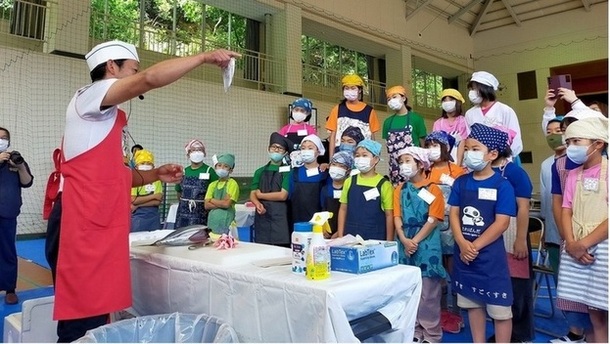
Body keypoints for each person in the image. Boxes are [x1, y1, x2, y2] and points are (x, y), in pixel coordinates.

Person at [55, 39, 238, 342]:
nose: (137, 81)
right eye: (132, 70)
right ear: (112, 67)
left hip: (97, 218)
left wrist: (153, 174)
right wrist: (204, 56)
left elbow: (108, 175)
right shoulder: (91, 96)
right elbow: (150, 79)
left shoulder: (105, 117)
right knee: (82, 311)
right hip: (82, 220)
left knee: (97, 311)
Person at [448, 124, 516, 343]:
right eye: (466, 148)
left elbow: (502, 223)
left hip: (490, 258)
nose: (468, 154)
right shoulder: (461, 182)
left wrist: (474, 246)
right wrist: (461, 241)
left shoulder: (502, 185)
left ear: (492, 154)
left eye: (475, 149)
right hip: (464, 257)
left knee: (500, 311)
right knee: (472, 304)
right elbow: (454, 214)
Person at [549, 108, 604, 343]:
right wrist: (571, 243)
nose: (571, 146)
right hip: (575, 246)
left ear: (598, 143)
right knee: (592, 312)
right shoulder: (571, 175)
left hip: (602, 246)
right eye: (568, 141)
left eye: (577, 141)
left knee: (604, 308)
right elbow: (565, 209)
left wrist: (584, 243)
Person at [393, 146, 445, 343]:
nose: (403, 166)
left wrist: (415, 240)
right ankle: (413, 331)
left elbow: (434, 219)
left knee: (428, 292)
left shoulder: (433, 189)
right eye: (401, 162)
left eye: (408, 161)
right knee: (407, 290)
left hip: (427, 243)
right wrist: (403, 238)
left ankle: (431, 334)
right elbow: (397, 216)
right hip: (404, 240)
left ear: (421, 164)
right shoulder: (399, 189)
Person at [488, 125, 534, 343]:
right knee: (499, 286)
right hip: (491, 233)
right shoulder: (483, 170)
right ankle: (501, 333)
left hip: (514, 234)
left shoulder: (515, 172)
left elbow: (523, 208)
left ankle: (519, 334)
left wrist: (520, 240)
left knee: (517, 287)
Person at [424, 130, 466, 334]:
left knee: (453, 270)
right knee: (436, 271)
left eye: (436, 145)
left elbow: (464, 196)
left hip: (453, 225)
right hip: (431, 226)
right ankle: (440, 313)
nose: (432, 150)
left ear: (446, 148)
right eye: (429, 145)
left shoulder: (457, 171)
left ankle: (457, 312)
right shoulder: (425, 170)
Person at [0, 127, 33, 305]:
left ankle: (10, 288)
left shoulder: (15, 160)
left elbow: (27, 182)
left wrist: (20, 166)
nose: (2, 140)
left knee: (8, 251)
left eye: (4, 138)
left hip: (8, 212)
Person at [337, 139, 393, 241]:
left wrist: (389, 241)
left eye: (365, 155)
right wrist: (341, 236)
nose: (360, 158)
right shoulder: (349, 181)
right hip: (350, 235)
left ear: (376, 159)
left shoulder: (384, 185)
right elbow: (343, 209)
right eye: (357, 155)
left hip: (375, 237)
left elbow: (389, 215)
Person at [465, 71, 523, 164]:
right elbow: (469, 140)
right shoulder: (470, 114)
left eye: (475, 88)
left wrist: (505, 160)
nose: (472, 92)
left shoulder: (505, 110)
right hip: (479, 162)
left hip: (504, 161)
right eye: (471, 89)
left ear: (485, 89)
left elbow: (515, 139)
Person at [250, 132, 293, 247]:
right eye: (273, 147)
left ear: (285, 153)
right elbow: (253, 193)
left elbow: (282, 195)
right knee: (262, 248)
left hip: (281, 216)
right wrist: (257, 203)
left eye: (279, 148)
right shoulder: (259, 171)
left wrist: (261, 196)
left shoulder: (288, 171)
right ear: (268, 149)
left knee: (281, 250)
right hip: (262, 215)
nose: (276, 150)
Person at [325, 74, 380, 159]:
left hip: (362, 158)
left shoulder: (369, 111)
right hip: (339, 158)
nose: (349, 91)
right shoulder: (337, 109)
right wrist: (331, 159)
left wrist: (372, 158)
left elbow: (372, 137)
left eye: (353, 88)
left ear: (360, 90)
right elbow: (333, 136)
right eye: (347, 88)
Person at [383, 85, 427, 185]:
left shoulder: (416, 119)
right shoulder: (387, 122)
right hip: (395, 170)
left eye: (394, 97)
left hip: (414, 169)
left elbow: (423, 146)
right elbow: (388, 147)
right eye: (389, 99)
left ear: (403, 98)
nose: (391, 100)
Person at [540, 117, 565, 279]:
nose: (553, 136)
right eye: (549, 133)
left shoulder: (577, 161)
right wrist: (545, 231)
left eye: (558, 131)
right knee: (560, 281)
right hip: (553, 235)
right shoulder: (545, 165)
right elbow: (544, 200)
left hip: (575, 235)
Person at [175, 139, 218, 228]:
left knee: (199, 237)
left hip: (202, 213)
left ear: (204, 153)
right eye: (193, 150)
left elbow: (215, 193)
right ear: (188, 154)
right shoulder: (183, 172)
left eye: (200, 150)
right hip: (183, 213)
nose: (197, 152)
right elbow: (179, 192)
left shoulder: (210, 171)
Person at [289, 134, 328, 224]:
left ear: (318, 152)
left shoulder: (325, 172)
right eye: (303, 148)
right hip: (298, 222)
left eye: (310, 148)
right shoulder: (295, 172)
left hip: (319, 223)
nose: (306, 151)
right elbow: (290, 195)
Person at [204, 153, 239, 235]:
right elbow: (206, 205)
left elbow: (227, 204)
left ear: (231, 170)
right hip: (212, 222)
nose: (221, 168)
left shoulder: (232, 184)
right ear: (215, 167)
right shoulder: (212, 185)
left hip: (227, 223)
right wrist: (222, 202)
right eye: (219, 165)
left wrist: (212, 200)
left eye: (225, 166)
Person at [320, 151, 353, 238]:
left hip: (345, 232)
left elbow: (351, 214)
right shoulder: (325, 189)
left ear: (348, 170)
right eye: (334, 164)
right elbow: (323, 210)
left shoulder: (350, 189)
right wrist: (325, 230)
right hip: (326, 233)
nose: (337, 168)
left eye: (341, 166)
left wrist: (339, 232)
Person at [130, 149, 163, 232]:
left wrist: (138, 204)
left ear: (153, 166)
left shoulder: (156, 180)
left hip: (154, 218)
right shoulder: (135, 180)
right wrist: (154, 196)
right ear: (136, 166)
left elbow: (157, 201)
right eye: (142, 163)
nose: (145, 165)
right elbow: (133, 200)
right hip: (138, 218)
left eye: (148, 163)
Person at [433, 89, 468, 165]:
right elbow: (436, 145)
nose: (447, 102)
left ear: (458, 102)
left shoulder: (462, 121)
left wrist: (458, 165)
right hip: (443, 163)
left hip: (460, 163)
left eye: (451, 99)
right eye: (444, 100)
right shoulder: (438, 123)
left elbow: (462, 143)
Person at [279, 98, 317, 168]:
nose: (299, 112)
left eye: (302, 110)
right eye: (296, 110)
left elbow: (314, 148)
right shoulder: (285, 129)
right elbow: (280, 147)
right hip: (287, 163)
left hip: (305, 163)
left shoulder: (310, 129)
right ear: (292, 111)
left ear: (308, 113)